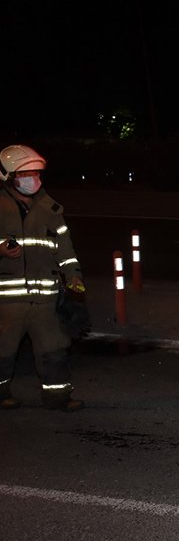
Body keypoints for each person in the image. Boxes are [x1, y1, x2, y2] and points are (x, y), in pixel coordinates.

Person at [0, 144, 85, 411]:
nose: (33, 179)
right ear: (8, 176)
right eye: (26, 174)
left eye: (36, 174)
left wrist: (74, 277)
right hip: (8, 300)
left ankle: (58, 397)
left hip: (46, 298)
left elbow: (66, 250)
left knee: (54, 349)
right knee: (2, 351)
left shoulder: (51, 209)